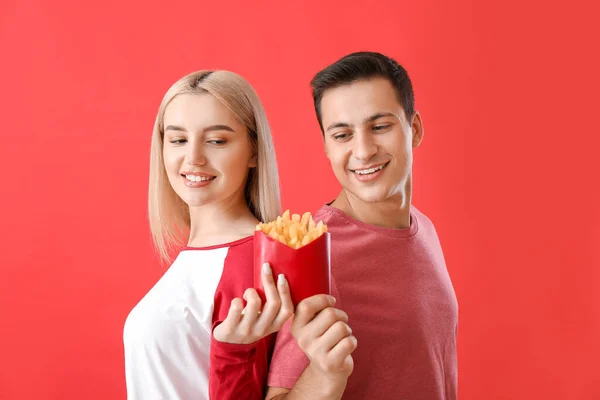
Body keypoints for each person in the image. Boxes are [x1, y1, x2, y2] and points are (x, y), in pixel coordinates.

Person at [265, 52, 459, 399]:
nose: (363, 150)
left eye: (380, 126)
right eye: (342, 135)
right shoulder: (314, 255)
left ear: (413, 129)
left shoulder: (424, 228)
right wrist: (324, 375)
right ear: (326, 144)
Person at [123, 70, 294, 400]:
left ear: (254, 151)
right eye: (178, 140)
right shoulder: (201, 258)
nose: (193, 158)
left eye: (216, 140)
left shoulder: (256, 263)